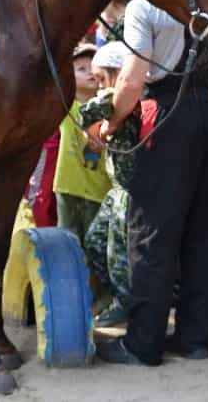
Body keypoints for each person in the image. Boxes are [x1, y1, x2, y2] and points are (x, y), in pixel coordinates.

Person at [92, 0, 208, 366]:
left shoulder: (144, 7)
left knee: (150, 233)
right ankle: (197, 337)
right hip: (203, 113)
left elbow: (132, 79)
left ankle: (143, 342)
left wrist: (111, 122)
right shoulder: (204, 3)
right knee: (199, 231)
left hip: (162, 113)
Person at [81, 41, 141, 327]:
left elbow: (89, 111)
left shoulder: (128, 100)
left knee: (119, 254)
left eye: (102, 78)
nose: (99, 86)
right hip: (116, 191)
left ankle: (125, 303)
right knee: (94, 242)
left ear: (119, 74)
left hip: (129, 193)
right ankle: (123, 297)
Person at [53, 44, 111, 245]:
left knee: (94, 243)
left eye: (93, 67)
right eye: (81, 69)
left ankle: (91, 277)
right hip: (68, 186)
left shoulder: (109, 107)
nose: (90, 73)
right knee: (67, 242)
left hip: (99, 189)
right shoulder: (63, 106)